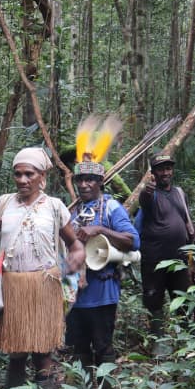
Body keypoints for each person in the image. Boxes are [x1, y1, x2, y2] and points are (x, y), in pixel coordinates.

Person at [0, 147, 85, 389]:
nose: (22, 180)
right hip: (14, 286)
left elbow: (75, 244)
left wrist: (76, 260)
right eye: (18, 174)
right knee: (16, 350)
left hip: (45, 285)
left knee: (43, 351)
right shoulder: (4, 203)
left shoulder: (55, 207)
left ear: (41, 175)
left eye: (29, 174)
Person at [66, 157, 139, 374]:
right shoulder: (72, 210)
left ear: (100, 182)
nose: (83, 185)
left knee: (102, 344)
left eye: (90, 180)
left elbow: (133, 240)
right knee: (78, 345)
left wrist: (101, 230)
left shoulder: (111, 207)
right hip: (75, 292)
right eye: (80, 180)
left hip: (102, 292)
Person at [136, 152, 194, 341]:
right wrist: (147, 190)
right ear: (153, 173)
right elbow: (144, 200)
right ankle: (158, 340)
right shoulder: (150, 194)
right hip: (154, 259)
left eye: (168, 168)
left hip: (179, 258)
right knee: (154, 300)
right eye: (160, 169)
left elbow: (187, 221)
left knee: (183, 298)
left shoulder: (179, 193)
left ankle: (185, 340)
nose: (165, 173)